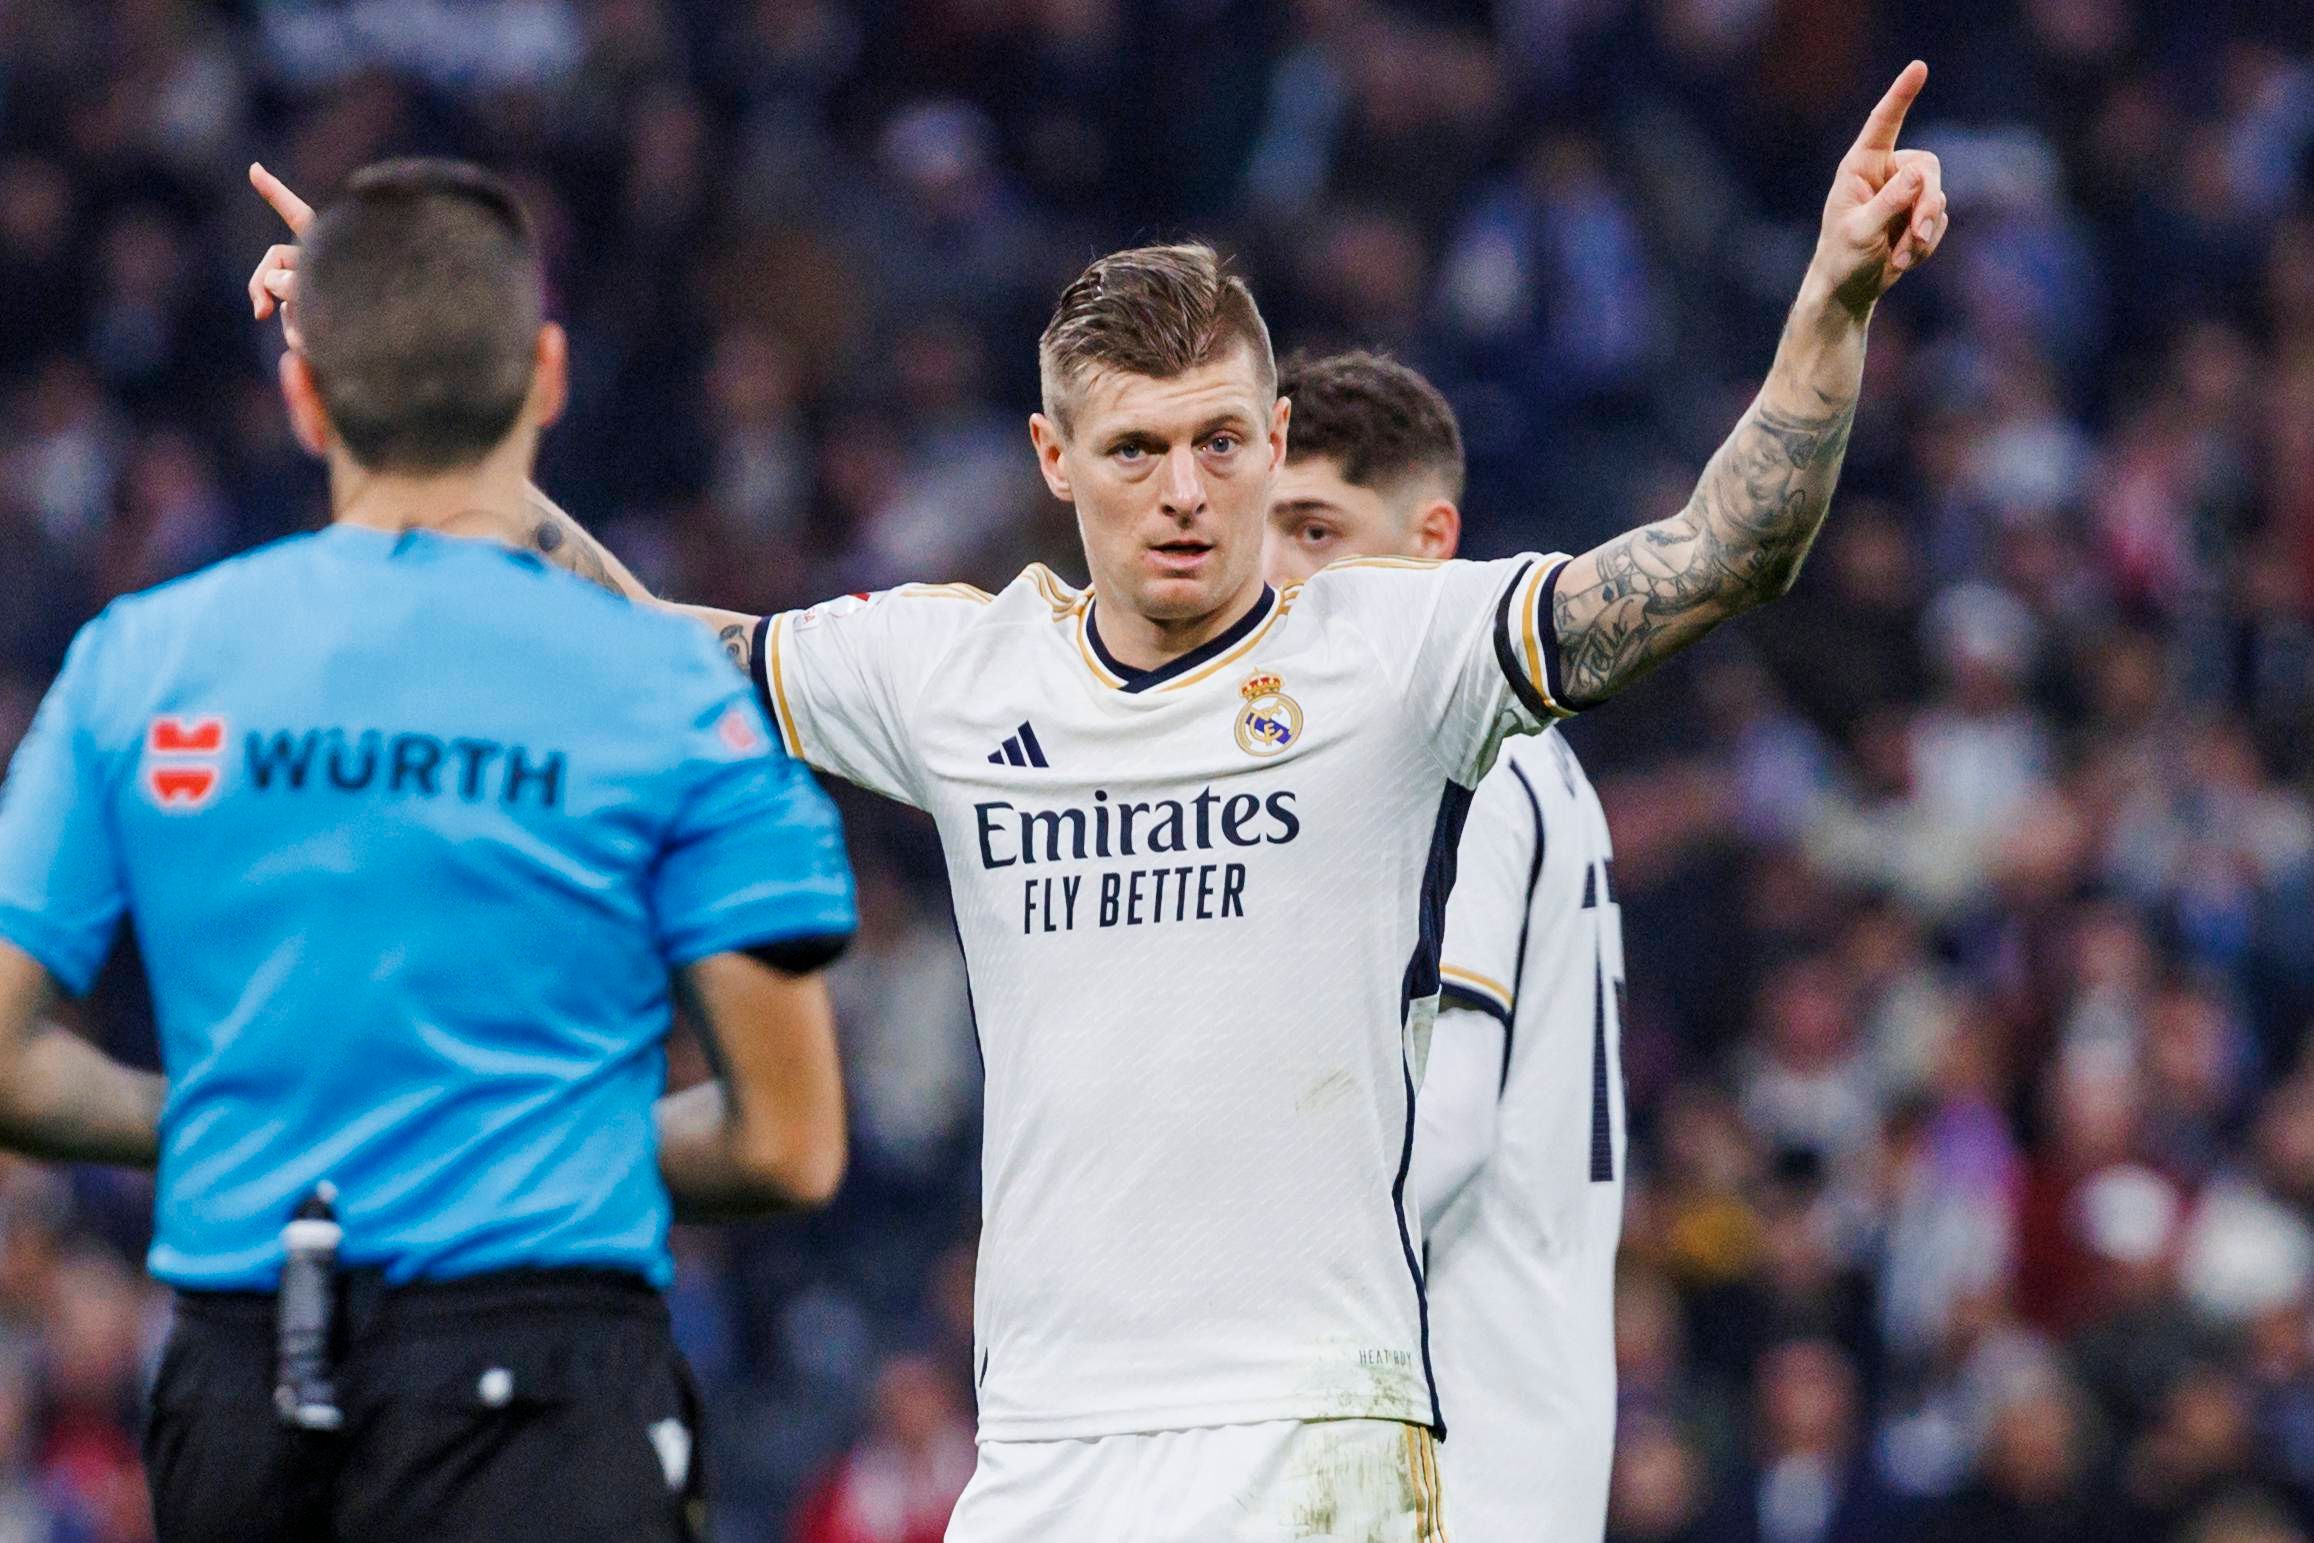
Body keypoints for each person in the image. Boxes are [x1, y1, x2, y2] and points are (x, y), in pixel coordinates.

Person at [247, 62, 1947, 1537]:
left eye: (1220, 441)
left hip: (1310, 1440)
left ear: (1280, 442)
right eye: (1134, 450)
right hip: (1045, 1444)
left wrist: (1829, 308)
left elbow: (1718, 554)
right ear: (1054, 464)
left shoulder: (1393, 652)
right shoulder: (961, 672)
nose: (1186, 493)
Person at [0, 158, 859, 1543]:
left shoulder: (136, 660)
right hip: (549, 1382)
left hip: (243, 1372)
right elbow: (789, 1136)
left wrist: (262, 1134)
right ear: (548, 374)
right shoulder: (666, 694)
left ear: (301, 393)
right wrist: (517, 1139)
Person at [1263, 347, 1627, 1541]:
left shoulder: (1465, 754)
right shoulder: (1535, 762)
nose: (1277, 571)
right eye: (1263, 529)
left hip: (1446, 1428)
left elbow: (1451, 1119)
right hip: (1521, 1410)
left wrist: (1258, 1309)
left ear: (1430, 537)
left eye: (1316, 529)